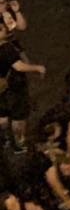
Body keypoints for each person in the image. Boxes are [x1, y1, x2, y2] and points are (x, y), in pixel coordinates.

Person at [0, 17, 44, 151]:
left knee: (2, 114)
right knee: (18, 117)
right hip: (13, 89)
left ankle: (4, 139)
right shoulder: (6, 48)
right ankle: (19, 144)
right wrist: (37, 68)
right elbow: (18, 67)